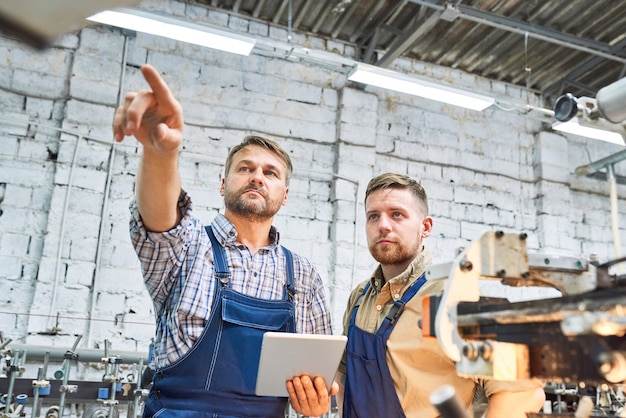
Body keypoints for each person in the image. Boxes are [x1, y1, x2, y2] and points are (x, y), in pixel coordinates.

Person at [112, 64, 336, 417]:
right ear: (223, 184)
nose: (257, 177)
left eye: (270, 173)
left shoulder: (304, 277)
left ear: (285, 195)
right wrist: (161, 153)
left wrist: (316, 402)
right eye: (245, 168)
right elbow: (159, 219)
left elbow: (319, 381)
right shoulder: (188, 248)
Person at [334, 172, 546, 418]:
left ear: (425, 227)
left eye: (397, 214)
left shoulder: (456, 296)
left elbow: (522, 391)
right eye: (373, 216)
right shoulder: (360, 298)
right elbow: (345, 372)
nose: (383, 225)